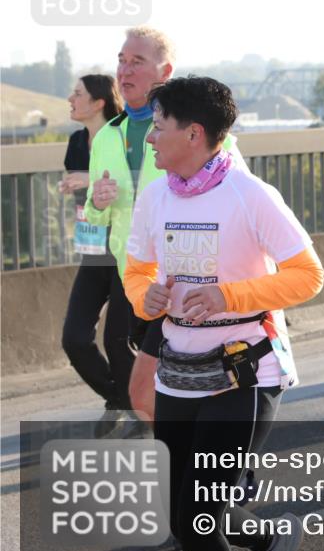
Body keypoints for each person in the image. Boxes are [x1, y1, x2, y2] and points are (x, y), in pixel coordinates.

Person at [124, 77, 323, 551]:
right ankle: (271, 539)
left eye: (158, 126)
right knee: (183, 517)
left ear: (193, 133)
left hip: (244, 371)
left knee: (198, 515)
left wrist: (227, 296)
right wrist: (144, 296)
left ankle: (266, 542)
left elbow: (308, 275)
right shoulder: (154, 196)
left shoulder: (250, 195)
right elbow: (137, 271)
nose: (150, 138)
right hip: (179, 371)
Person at [84, 25, 244, 423]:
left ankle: (217, 451)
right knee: (154, 390)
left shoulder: (203, 134)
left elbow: (241, 201)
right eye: (121, 60)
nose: (125, 70)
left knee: (156, 389)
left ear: (165, 71)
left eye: (137, 61)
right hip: (136, 278)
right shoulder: (106, 136)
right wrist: (97, 203)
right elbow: (95, 212)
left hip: (188, 283)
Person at [59, 75, 130, 436]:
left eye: (78, 93)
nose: (70, 98)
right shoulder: (76, 141)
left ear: (99, 101)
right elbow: (84, 198)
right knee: (74, 338)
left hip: (125, 251)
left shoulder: (125, 134)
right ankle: (119, 398)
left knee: (118, 341)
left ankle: (139, 408)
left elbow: (137, 182)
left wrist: (88, 181)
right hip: (92, 249)